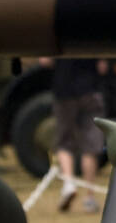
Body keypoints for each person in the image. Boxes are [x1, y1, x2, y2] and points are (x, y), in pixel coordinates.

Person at [40, 58, 108, 213]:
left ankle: (68, 184)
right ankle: (89, 198)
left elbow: (45, 61)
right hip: (90, 91)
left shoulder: (58, 36)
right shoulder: (94, 34)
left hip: (64, 91)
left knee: (65, 143)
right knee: (90, 147)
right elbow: (102, 67)